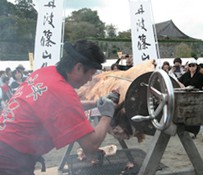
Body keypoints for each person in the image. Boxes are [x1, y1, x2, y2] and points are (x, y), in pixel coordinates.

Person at [0, 39, 117, 174]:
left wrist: (94, 104)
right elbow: (91, 146)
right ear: (78, 67)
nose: (90, 79)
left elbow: (59, 106)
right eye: (90, 74)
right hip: (9, 159)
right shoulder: (62, 92)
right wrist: (107, 115)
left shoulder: (44, 73)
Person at [179, 59, 203, 142]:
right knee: (189, 115)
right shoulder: (185, 75)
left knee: (201, 115)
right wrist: (182, 87)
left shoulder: (200, 75)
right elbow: (179, 81)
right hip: (187, 97)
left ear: (196, 66)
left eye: (193, 66)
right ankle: (191, 133)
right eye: (190, 66)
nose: (192, 67)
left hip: (198, 97)